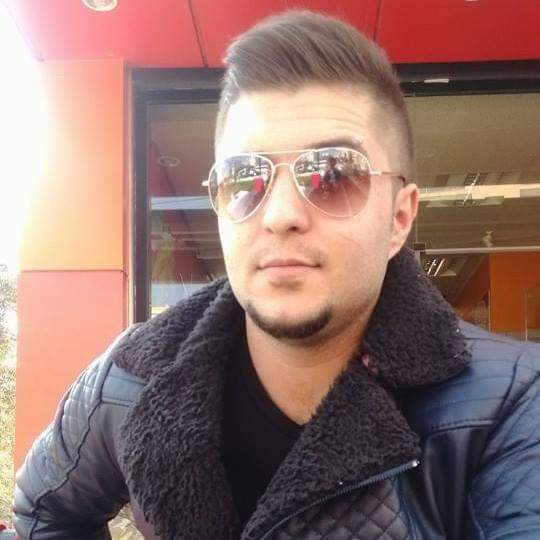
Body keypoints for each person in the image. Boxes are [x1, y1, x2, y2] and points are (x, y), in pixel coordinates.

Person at [13, 10, 540, 540]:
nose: (280, 214)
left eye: (334, 175)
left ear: (399, 218)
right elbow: (45, 513)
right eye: (245, 178)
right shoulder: (130, 379)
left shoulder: (511, 403)